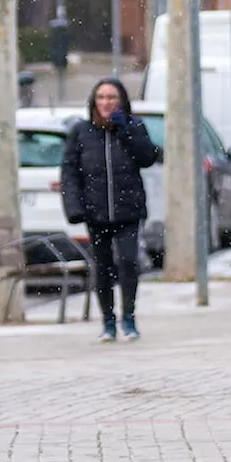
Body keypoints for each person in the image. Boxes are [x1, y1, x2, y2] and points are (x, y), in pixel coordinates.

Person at [60, 79, 162, 343]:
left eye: (112, 97)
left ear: (121, 101)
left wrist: (126, 129)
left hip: (128, 210)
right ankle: (108, 321)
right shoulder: (81, 132)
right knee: (102, 267)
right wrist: (74, 207)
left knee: (129, 262)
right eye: (102, 97)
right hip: (96, 212)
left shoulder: (133, 126)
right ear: (94, 101)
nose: (106, 103)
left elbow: (148, 157)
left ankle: (128, 317)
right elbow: (69, 172)